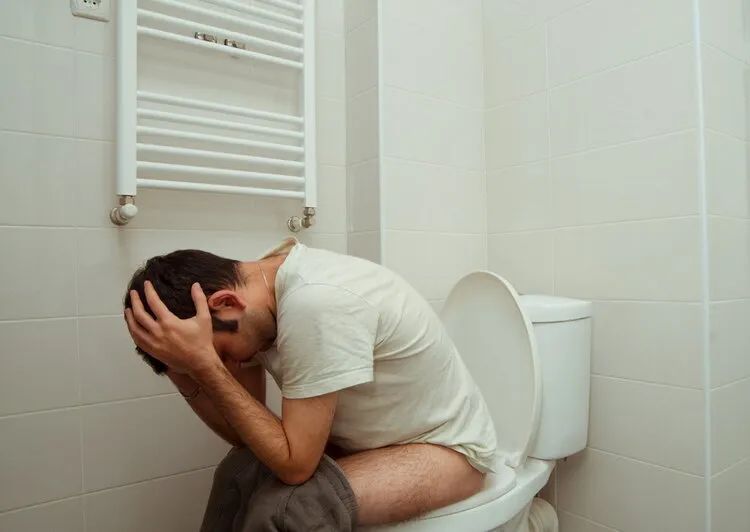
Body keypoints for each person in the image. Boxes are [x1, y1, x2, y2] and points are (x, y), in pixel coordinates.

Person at [123, 237, 497, 527]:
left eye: (221, 352)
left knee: (290, 508)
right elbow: (245, 434)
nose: (231, 364)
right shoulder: (254, 300)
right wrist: (181, 369)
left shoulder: (314, 303)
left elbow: (296, 466)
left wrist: (206, 367)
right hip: (369, 444)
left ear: (226, 303)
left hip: (446, 449)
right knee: (238, 473)